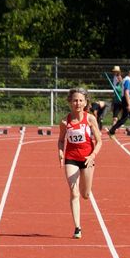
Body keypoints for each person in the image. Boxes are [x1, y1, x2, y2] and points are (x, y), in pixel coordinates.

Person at [57, 88, 102, 239]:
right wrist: (61, 152)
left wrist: (93, 155)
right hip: (71, 158)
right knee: (73, 191)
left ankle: (85, 191)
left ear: (85, 102)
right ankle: (77, 227)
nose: (78, 103)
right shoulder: (65, 121)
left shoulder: (90, 119)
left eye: (81, 100)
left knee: (85, 194)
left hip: (87, 158)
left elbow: (100, 141)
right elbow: (61, 139)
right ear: (70, 102)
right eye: (75, 100)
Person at [107, 67, 130, 140]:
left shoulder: (128, 80)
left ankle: (112, 131)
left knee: (124, 118)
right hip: (128, 100)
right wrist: (129, 104)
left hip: (127, 100)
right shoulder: (128, 80)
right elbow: (126, 92)